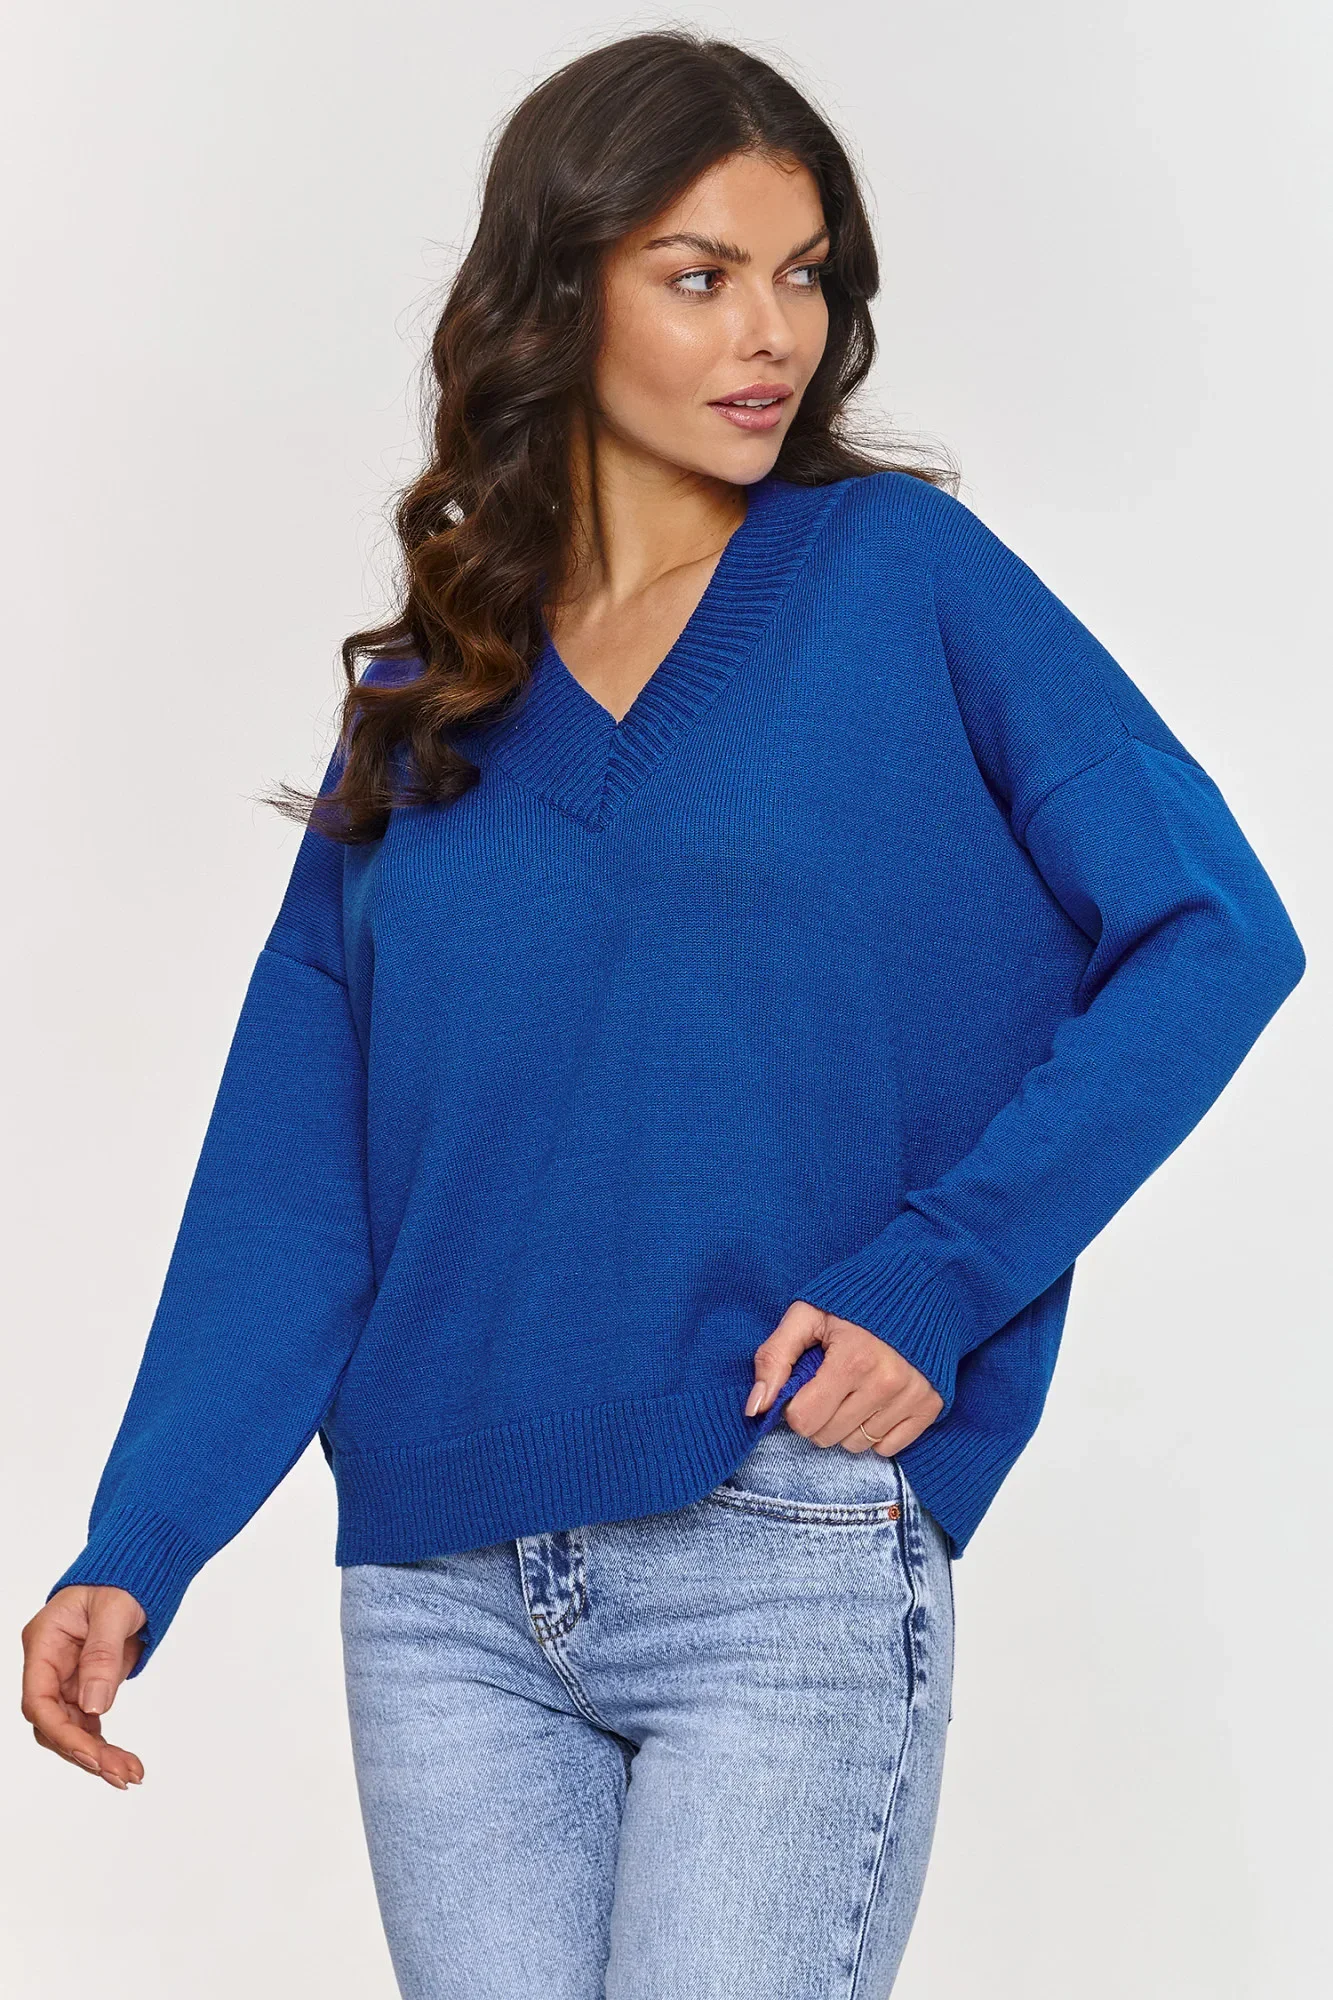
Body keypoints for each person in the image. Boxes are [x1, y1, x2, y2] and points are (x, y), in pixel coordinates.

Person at [22, 29, 1304, 2000]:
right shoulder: (429, 699)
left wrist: (937, 1278)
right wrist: (143, 1535)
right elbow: (296, 1178)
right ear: (561, 292)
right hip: (442, 1597)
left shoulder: (901, 578)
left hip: (777, 1547)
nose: (772, 332)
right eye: (700, 276)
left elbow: (1214, 930)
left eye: (805, 276)